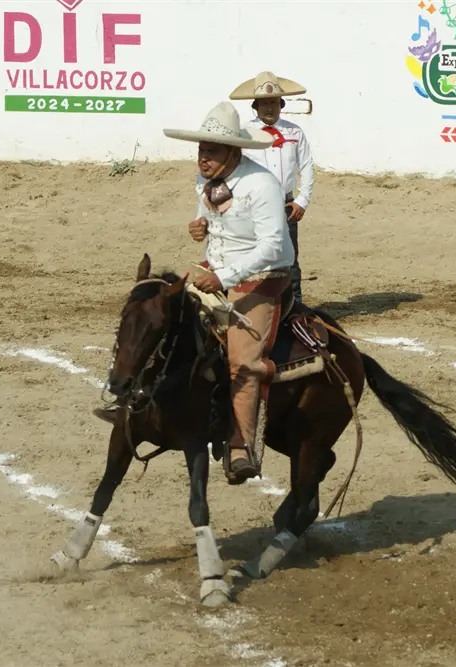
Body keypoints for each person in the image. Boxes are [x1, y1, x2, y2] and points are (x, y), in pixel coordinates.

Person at [162, 101, 295, 484]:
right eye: (201, 149)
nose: (203, 158)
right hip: (217, 272)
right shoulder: (206, 181)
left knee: (242, 360)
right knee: (156, 304)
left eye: (211, 151)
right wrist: (200, 229)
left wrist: (224, 278)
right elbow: (212, 226)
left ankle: (241, 445)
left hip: (262, 279)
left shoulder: (262, 185)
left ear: (234, 152)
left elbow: (272, 246)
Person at [230, 71, 315, 307]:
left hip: (286, 204)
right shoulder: (244, 134)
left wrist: (302, 200)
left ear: (281, 105)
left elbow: (306, 165)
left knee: (290, 259)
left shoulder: (294, 132)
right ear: (255, 106)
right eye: (265, 103)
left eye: (274, 102)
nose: (270, 107)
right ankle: (256, 306)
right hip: (254, 206)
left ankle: (294, 308)